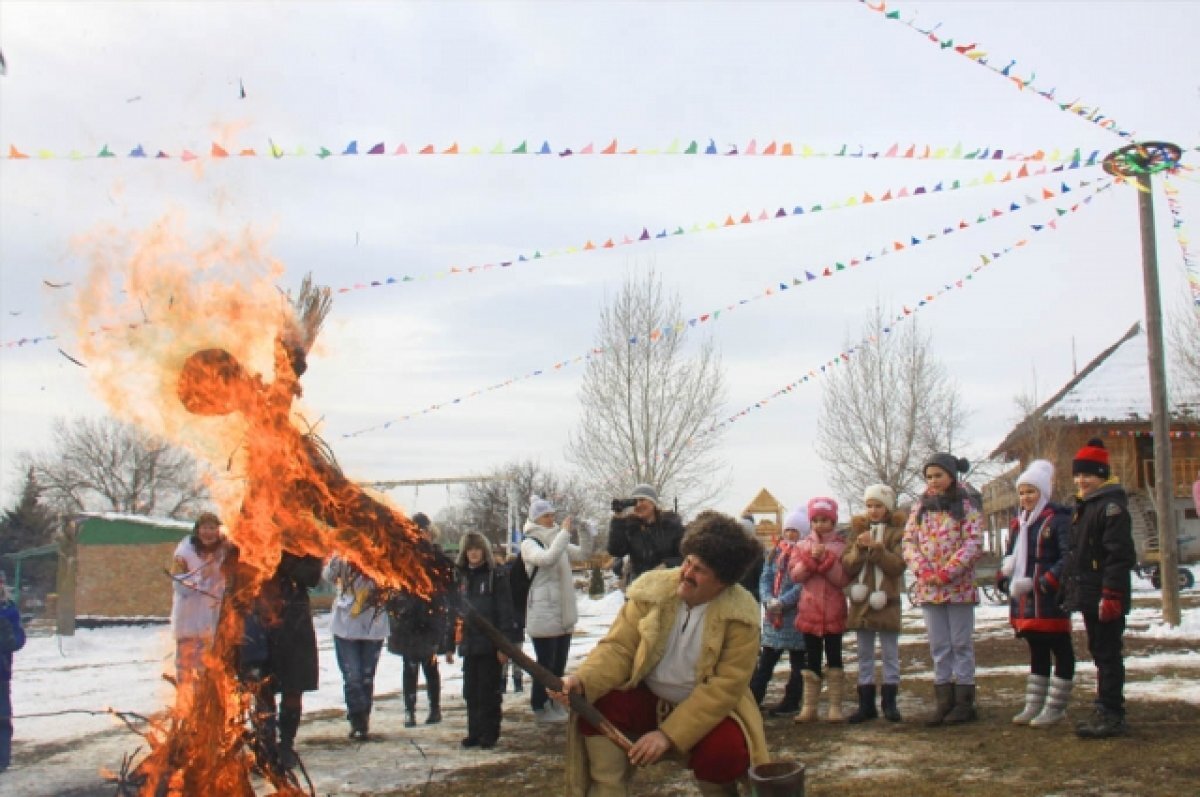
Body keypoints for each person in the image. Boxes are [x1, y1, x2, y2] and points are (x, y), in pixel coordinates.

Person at [557, 511, 768, 797]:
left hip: (707, 708)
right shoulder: (652, 591)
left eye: (700, 570)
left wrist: (668, 735)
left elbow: (725, 688)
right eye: (688, 562)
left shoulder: (742, 616)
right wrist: (582, 680)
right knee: (599, 703)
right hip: (647, 696)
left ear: (722, 583)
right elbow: (619, 648)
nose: (687, 574)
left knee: (726, 750)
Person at [1061, 438, 1136, 739]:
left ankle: (1112, 713)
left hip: (1105, 594)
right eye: (1078, 475)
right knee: (1099, 650)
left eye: (1088, 475)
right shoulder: (1087, 506)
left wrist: (1112, 595)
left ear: (1103, 475)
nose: (1082, 480)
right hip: (1090, 592)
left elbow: (1119, 556)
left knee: (1107, 652)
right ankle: (1105, 705)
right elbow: (1077, 554)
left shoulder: (1111, 508)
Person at [903, 452, 983, 726]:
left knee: (960, 643)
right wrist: (924, 571)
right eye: (929, 476)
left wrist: (948, 571)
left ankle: (964, 701)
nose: (934, 481)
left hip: (958, 586)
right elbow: (908, 542)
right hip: (929, 588)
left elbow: (972, 542)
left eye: (938, 475)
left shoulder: (967, 504)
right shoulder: (920, 507)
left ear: (951, 475)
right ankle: (944, 700)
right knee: (939, 645)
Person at [994, 459, 1075, 728]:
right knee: (1036, 646)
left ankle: (1056, 706)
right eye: (1022, 492)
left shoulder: (1058, 520)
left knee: (1060, 647)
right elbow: (1011, 554)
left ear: (1043, 493)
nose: (1026, 497)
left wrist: (1046, 581)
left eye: (1031, 491)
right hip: (1025, 597)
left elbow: (1068, 556)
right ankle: (1035, 702)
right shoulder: (1020, 523)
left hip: (1049, 595)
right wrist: (1004, 577)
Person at [238, 551, 323, 771]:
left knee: (293, 688)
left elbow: (312, 578)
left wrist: (282, 559)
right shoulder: (252, 533)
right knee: (262, 689)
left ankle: (286, 745)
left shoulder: (304, 541)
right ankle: (265, 746)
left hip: (294, 623)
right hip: (258, 622)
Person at [521, 496, 592, 723]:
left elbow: (582, 554)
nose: (551, 519)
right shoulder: (529, 543)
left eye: (552, 514)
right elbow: (547, 559)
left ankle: (555, 701)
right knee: (545, 664)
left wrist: (585, 532)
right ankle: (539, 705)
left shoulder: (556, 538)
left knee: (559, 663)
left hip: (562, 610)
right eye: (546, 515)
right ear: (536, 518)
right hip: (542, 611)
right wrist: (564, 533)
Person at [842, 485, 907, 723]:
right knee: (864, 654)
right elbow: (848, 565)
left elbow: (898, 565)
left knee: (890, 653)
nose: (873, 511)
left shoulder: (897, 534)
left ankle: (890, 702)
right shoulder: (856, 533)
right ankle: (865, 703)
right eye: (869, 506)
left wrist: (878, 549)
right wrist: (860, 547)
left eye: (878, 506)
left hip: (886, 601)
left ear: (887, 508)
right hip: (862, 602)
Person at [386, 512, 455, 729]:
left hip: (430, 616)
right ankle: (410, 710)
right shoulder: (402, 556)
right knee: (409, 664)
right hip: (408, 617)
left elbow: (447, 580)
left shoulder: (436, 555)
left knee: (430, 662)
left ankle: (434, 708)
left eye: (423, 531)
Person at [455, 531, 521, 750]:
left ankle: (489, 733)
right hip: (469, 644)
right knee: (471, 691)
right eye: (470, 549)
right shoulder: (461, 577)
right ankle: (474, 731)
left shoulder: (496, 576)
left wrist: (504, 646)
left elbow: (505, 611)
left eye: (477, 548)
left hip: (490, 644)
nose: (473, 553)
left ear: (484, 550)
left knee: (488, 691)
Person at [789, 497, 850, 723]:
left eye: (825, 520)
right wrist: (808, 562)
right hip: (809, 611)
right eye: (816, 520)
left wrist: (827, 561)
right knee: (811, 659)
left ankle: (835, 706)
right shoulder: (802, 546)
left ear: (833, 521)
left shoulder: (842, 547)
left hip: (833, 610)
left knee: (835, 657)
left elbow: (843, 579)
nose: (820, 525)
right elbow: (795, 575)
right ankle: (809, 706)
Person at [748, 506, 807, 718]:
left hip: (796, 617)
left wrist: (783, 602)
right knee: (767, 660)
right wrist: (767, 599)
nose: (790, 534)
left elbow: (801, 584)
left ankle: (792, 700)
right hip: (773, 617)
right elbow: (765, 577)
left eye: (796, 531)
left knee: (798, 663)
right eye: (788, 530)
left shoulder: (804, 555)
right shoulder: (775, 553)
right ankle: (754, 698)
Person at [324, 554, 389, 740]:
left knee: (367, 677)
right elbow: (327, 576)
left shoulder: (380, 553)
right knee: (353, 676)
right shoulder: (343, 556)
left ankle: (363, 718)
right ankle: (357, 718)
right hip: (346, 624)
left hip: (373, 623)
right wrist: (336, 561)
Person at [169, 512, 235, 689]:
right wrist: (201, 577)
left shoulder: (226, 552)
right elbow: (179, 586)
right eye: (205, 528)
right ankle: (183, 707)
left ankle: (202, 708)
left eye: (212, 528)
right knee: (184, 670)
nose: (209, 532)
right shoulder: (184, 552)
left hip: (212, 623)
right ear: (198, 530)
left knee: (205, 670)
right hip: (187, 623)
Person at [606, 483, 684, 585]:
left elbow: (685, 557)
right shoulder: (630, 527)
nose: (638, 505)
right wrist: (618, 518)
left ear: (653, 503)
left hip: (665, 584)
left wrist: (667, 564)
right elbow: (616, 551)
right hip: (638, 584)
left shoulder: (671, 526)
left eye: (642, 500)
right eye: (635, 502)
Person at [0, 571, 27, 773]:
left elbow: (18, 638)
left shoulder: (9, 610)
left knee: (1, 717)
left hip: (1, 673)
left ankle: (2, 759)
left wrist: (10, 641)